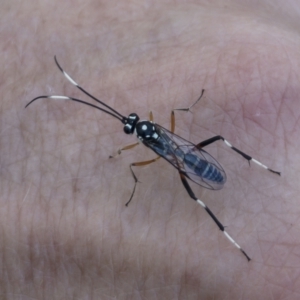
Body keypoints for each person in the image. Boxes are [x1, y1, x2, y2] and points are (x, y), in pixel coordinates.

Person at [2, 1, 295, 298]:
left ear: (135, 128)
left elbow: (138, 154)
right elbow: (168, 120)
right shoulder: (152, 126)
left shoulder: (142, 138)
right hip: (187, 157)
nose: (130, 124)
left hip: (184, 159)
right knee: (212, 154)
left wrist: (120, 155)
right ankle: (238, 214)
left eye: (129, 124)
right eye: (130, 124)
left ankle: (230, 228)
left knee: (195, 194)